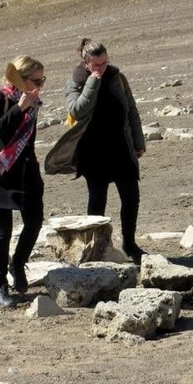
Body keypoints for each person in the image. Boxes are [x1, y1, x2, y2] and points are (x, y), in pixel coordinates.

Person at [44, 38, 146, 263]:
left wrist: (138, 142)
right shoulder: (76, 82)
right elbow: (77, 111)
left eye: (105, 62)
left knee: (131, 197)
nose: (102, 68)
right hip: (93, 153)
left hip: (121, 148)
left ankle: (129, 243)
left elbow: (132, 111)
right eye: (97, 64)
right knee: (97, 201)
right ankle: (98, 247)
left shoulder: (118, 78)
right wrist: (92, 82)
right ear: (86, 63)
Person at [0, 56, 46, 308]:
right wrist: (19, 108)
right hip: (1, 172)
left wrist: (28, 105)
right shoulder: (0, 97)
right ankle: (0, 286)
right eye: (36, 80)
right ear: (21, 78)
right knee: (2, 232)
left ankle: (18, 263)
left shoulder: (33, 101)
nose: (40, 85)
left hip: (27, 171)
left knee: (35, 220)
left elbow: (29, 141)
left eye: (43, 80)